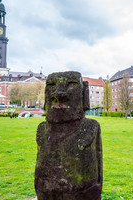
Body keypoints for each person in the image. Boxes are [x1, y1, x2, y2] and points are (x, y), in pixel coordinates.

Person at [35, 71, 102, 200]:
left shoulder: (90, 127)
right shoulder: (43, 129)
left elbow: (98, 172)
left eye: (71, 84)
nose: (58, 93)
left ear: (84, 93)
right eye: (51, 85)